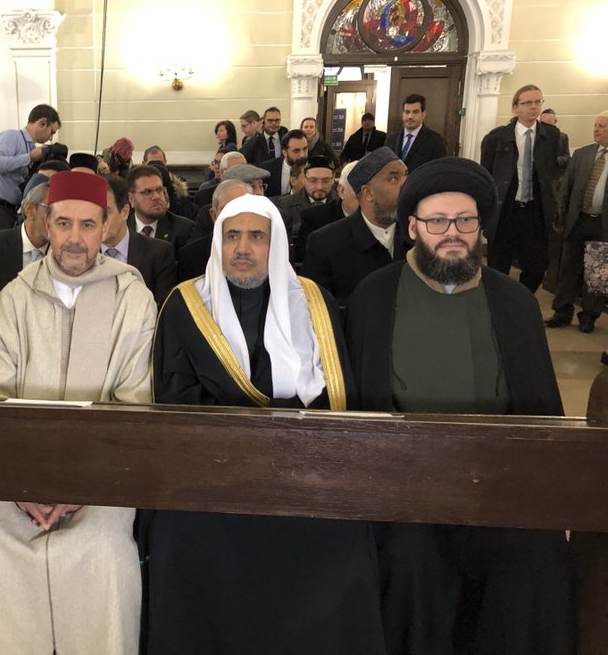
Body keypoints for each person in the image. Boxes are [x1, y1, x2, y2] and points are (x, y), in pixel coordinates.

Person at [347, 157, 573, 655]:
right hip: (403, 490)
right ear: (412, 228)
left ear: (479, 227)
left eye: (465, 220)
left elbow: (542, 414)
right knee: (406, 563)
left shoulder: (514, 301)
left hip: (500, 485)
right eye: (436, 221)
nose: (452, 233)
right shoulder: (375, 297)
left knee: (534, 556)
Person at [144, 193, 385, 654]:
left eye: (257, 237)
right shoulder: (186, 303)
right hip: (212, 475)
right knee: (178, 534)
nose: (243, 249)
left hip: (306, 470)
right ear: (218, 241)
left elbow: (339, 394)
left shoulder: (313, 300)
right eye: (233, 236)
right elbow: (174, 400)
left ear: (275, 245)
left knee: (346, 535)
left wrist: (295, 457)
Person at [0, 170, 156, 654]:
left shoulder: (134, 302)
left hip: (101, 480)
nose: (74, 239)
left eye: (87, 225)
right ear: (44, 224)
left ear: (107, 228)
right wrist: (22, 487)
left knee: (101, 552)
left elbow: (133, 406)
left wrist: (78, 488)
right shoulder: (13, 299)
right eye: (63, 224)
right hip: (11, 476)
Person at [301, 147, 409, 310]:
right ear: (368, 193)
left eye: (406, 175)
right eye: (394, 178)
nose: (406, 185)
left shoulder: (419, 236)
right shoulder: (326, 243)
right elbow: (317, 312)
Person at [481, 84, 561, 293]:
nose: (533, 107)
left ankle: (521, 301)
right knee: (498, 266)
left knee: (536, 266)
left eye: (538, 102)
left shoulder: (551, 136)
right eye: (527, 103)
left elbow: (554, 172)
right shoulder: (497, 137)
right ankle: (499, 305)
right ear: (516, 107)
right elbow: (486, 175)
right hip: (505, 209)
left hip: (534, 210)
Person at [545, 110, 608, 332]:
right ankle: (561, 312)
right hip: (578, 220)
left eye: (602, 126)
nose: (596, 129)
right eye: (595, 125)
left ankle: (589, 316)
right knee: (568, 267)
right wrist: (561, 215)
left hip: (602, 225)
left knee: (596, 273)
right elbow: (566, 188)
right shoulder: (582, 154)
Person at [0, 104, 60, 233]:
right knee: (0, 251)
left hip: (6, 210)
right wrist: (29, 157)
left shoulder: (30, 148)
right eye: (51, 132)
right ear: (42, 123)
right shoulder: (11, 136)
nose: (50, 138)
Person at [102, 174, 176, 306]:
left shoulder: (158, 252)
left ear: (124, 212)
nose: (97, 220)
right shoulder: (82, 252)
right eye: (92, 212)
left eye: (105, 213)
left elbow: (162, 310)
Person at [176, 178, 251, 282]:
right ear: (214, 215)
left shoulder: (267, 249)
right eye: (228, 208)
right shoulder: (190, 256)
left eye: (244, 207)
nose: (237, 215)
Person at [292, 158, 357, 263]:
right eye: (313, 180)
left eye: (326, 180)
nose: (319, 186)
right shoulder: (284, 205)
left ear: (333, 179)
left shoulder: (342, 204)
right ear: (304, 179)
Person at [126, 164, 194, 259]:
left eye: (159, 190)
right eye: (147, 192)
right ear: (132, 199)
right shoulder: (122, 228)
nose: (156, 197)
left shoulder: (184, 230)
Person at [383, 94, 447, 173]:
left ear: (423, 114)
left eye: (415, 112)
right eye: (407, 112)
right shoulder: (391, 140)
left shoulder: (436, 141)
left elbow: (437, 171)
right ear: (402, 114)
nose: (410, 116)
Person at [260, 128, 309, 198]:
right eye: (296, 151)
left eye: (305, 149)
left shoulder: (315, 169)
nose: (302, 155)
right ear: (284, 152)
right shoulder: (267, 169)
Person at [540, 108, 571, 174]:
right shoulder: (536, 136)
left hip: (556, 174)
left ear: (555, 122)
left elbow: (567, 158)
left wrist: (555, 160)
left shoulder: (562, 137)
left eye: (549, 122)